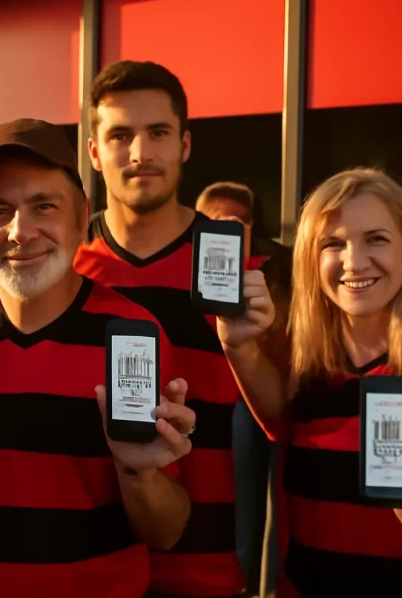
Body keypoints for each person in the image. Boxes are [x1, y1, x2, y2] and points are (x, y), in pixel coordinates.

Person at [0, 118, 197, 597]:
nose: (21, 231)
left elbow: (166, 533)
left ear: (82, 217)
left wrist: (137, 473)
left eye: (43, 206)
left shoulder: (132, 336)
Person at [223, 168, 402, 597]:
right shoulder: (307, 366)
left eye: (376, 238)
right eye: (333, 244)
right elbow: (277, 421)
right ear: (311, 262)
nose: (354, 261)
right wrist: (237, 346)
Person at [74, 60, 248, 597]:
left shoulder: (252, 267)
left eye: (158, 134)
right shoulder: (59, 264)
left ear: (185, 145)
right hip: (83, 567)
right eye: (120, 135)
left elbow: (284, 415)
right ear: (94, 151)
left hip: (210, 570)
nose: (140, 153)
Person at [195, 181, 290, 598]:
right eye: (215, 222)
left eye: (238, 222)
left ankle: (256, 582)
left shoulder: (278, 271)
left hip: (258, 400)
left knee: (266, 507)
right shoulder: (186, 269)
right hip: (203, 402)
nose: (227, 230)